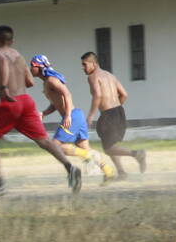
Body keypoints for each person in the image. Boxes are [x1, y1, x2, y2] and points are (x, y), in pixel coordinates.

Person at [0, 26, 81, 196]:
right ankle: (70, 167)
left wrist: (4, 87)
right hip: (26, 102)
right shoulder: (19, 56)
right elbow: (30, 82)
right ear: (12, 41)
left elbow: (3, 62)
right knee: (44, 141)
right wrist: (2, 85)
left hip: (10, 103)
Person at [30, 54, 115, 182]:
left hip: (73, 116)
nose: (30, 68)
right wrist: (44, 113)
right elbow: (57, 103)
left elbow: (67, 94)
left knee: (55, 146)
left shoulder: (51, 80)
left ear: (39, 66)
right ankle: (108, 172)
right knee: (85, 148)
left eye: (32, 66)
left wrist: (68, 115)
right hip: (77, 115)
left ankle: (88, 156)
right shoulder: (47, 82)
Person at [82, 51, 146, 178]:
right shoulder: (110, 75)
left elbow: (98, 95)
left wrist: (91, 115)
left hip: (108, 114)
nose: (83, 68)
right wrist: (115, 108)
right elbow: (124, 94)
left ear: (93, 64)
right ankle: (121, 172)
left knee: (109, 148)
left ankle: (137, 154)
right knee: (109, 145)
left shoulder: (93, 77)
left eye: (85, 64)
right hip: (119, 112)